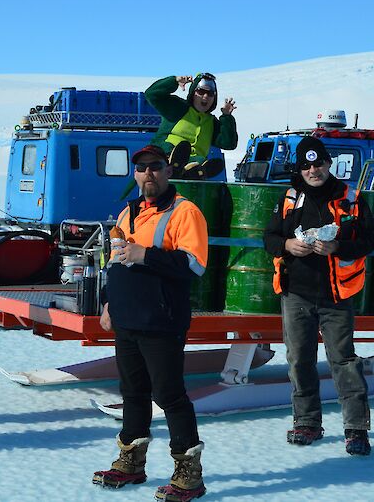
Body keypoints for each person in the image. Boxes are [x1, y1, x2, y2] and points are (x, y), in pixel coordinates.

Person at [93, 144, 209, 501]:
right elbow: (115, 261)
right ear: (135, 173)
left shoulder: (185, 211)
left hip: (162, 320)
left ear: (168, 171)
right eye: (141, 168)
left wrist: (147, 255)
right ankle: (131, 462)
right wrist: (109, 302)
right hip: (127, 318)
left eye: (155, 166)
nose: (148, 174)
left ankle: (188, 474)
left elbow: (195, 265)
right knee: (133, 393)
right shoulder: (128, 213)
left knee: (170, 395)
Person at [264, 136, 372, 456]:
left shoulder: (350, 198)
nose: (313, 170)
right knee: (300, 361)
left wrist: (338, 247)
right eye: (306, 165)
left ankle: (356, 429)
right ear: (300, 168)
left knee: (344, 362)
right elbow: (269, 237)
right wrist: (287, 246)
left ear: (328, 163)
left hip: (336, 296)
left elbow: (368, 240)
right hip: (296, 294)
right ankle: (307, 422)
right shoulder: (289, 199)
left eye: (318, 163)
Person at [145, 72, 238, 179]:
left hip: (192, 165)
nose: (205, 96)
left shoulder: (212, 122)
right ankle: (177, 164)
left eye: (210, 94)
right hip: (164, 161)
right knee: (179, 151)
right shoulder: (178, 108)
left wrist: (226, 117)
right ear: (193, 93)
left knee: (200, 162)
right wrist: (174, 81)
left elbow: (229, 143)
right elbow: (151, 94)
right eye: (201, 91)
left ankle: (197, 171)